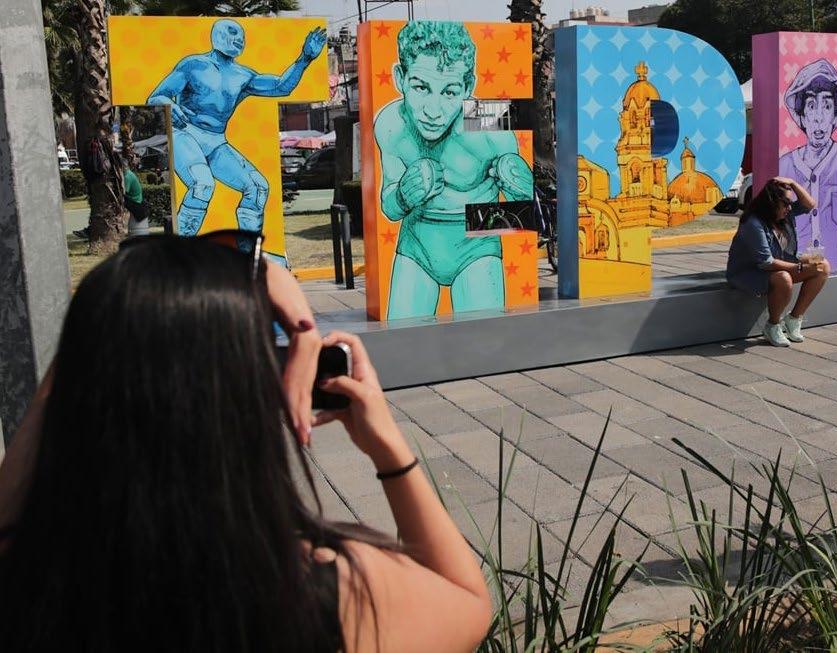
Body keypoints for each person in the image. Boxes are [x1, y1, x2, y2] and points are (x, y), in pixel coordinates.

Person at [0, 235, 492, 651]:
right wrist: (388, 447)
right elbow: (468, 603)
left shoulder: (33, 577)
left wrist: (108, 330)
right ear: (243, 395)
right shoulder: (326, 591)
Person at [376, 22, 532, 319]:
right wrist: (403, 197)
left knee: (483, 340)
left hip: (477, 246)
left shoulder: (489, 118)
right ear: (400, 78)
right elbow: (389, 209)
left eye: (449, 92)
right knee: (401, 338)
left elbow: (524, 212)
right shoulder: (391, 123)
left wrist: (521, 185)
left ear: (468, 86)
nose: (433, 111)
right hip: (416, 244)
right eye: (420, 87)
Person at [148, 20, 327, 242]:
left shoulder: (243, 75)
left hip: (216, 141)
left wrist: (305, 58)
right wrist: (169, 104)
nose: (239, 38)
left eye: (242, 34)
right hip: (185, 132)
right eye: (233, 32)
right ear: (218, 34)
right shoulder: (193, 65)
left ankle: (248, 252)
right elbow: (157, 95)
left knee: (258, 188)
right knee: (202, 184)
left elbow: (281, 86)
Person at [726, 177, 830, 347]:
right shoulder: (753, 223)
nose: (790, 207)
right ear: (771, 203)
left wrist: (793, 183)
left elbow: (810, 204)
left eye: (790, 203)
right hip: (749, 272)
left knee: (822, 263)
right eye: (786, 203)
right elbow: (766, 262)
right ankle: (773, 325)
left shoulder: (784, 215)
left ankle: (793, 319)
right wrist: (799, 267)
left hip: (783, 260)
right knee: (784, 278)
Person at [780, 58, 837, 260]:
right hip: (794, 259)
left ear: (835, 115)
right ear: (801, 115)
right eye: (812, 105)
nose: (818, 117)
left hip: (826, 261)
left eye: (827, 106)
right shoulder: (785, 164)